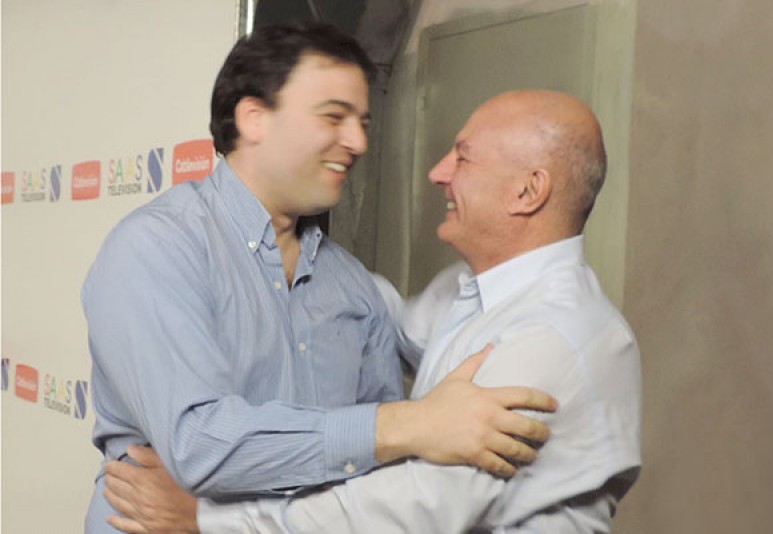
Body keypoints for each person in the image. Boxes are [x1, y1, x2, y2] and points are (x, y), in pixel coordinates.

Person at [82, 22, 558, 534]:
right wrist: (409, 424)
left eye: (362, 122)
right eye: (333, 116)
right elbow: (198, 444)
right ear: (253, 117)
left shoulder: (353, 285)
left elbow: (379, 472)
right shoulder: (158, 247)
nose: (357, 142)